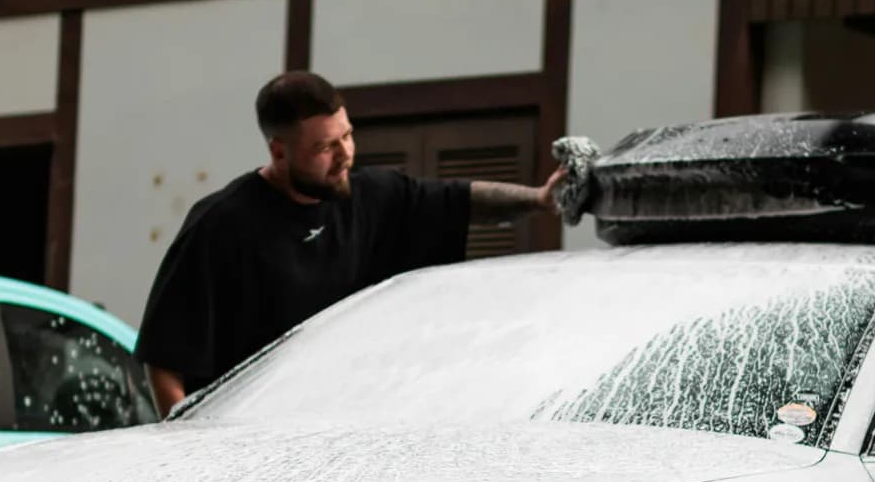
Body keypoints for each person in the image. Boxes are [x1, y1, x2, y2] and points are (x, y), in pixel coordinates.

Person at [135, 71, 560, 414]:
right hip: (244, 437)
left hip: (334, 428)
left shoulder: (372, 197)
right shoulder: (220, 224)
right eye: (324, 147)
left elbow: (460, 201)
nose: (344, 155)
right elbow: (165, 362)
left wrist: (540, 199)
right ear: (279, 152)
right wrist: (190, 450)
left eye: (347, 136)